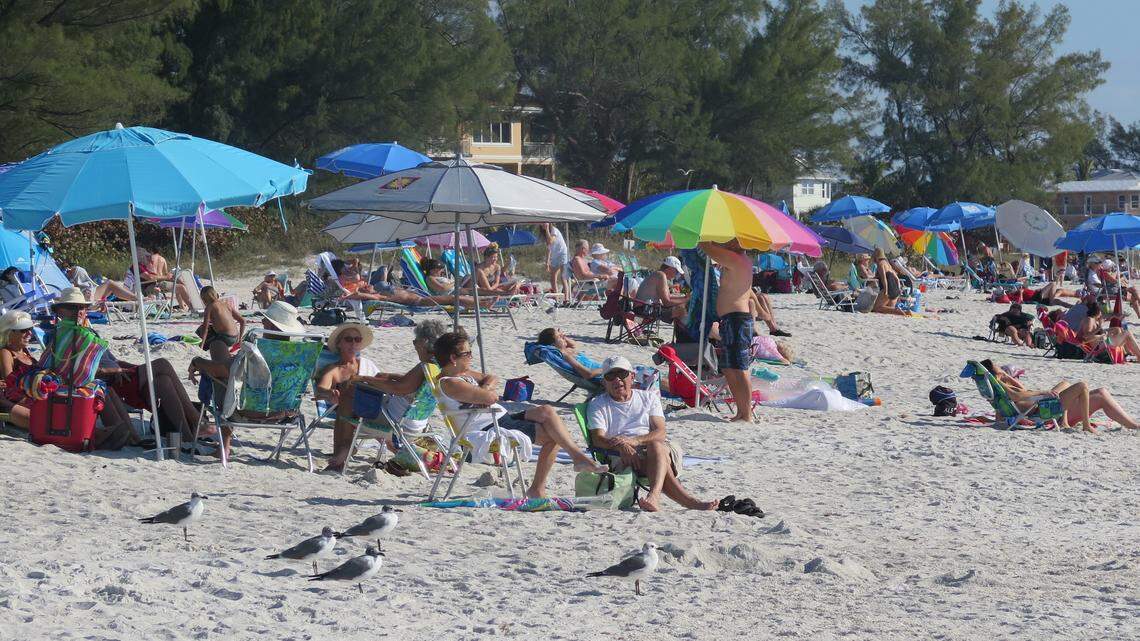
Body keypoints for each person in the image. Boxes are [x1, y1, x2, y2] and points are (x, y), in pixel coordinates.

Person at [433, 331, 608, 498]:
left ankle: (577, 457)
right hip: (487, 428)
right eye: (467, 353)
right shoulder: (450, 383)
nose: (471, 356)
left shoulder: (462, 374)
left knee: (546, 410)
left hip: (499, 418)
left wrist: (483, 389)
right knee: (552, 437)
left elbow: (492, 378)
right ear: (453, 358)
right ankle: (538, 489)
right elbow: (492, 397)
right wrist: (485, 394)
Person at [587, 356, 718, 512]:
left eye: (622, 374)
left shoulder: (648, 397)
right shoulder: (598, 404)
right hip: (620, 454)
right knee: (658, 456)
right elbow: (598, 439)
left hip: (655, 447)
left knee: (656, 446)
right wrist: (621, 447)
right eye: (610, 376)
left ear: (632, 377)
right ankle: (688, 502)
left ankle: (660, 496)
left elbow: (660, 432)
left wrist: (634, 441)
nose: (617, 379)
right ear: (604, 382)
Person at [322, 319, 449, 472]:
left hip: (395, 423)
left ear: (423, 343)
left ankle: (342, 453)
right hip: (418, 423)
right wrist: (388, 376)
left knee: (348, 396)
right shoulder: (438, 366)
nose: (414, 345)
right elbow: (408, 381)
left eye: (415, 342)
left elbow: (399, 388)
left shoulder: (424, 366)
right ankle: (345, 449)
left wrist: (364, 379)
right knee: (353, 397)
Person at [188, 300, 306, 458]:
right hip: (285, 414)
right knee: (223, 358)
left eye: (266, 320)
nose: (262, 321)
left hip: (247, 411)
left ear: (272, 326)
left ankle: (224, 447)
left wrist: (197, 362)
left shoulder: (257, 351)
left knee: (222, 379)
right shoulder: (301, 356)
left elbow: (221, 371)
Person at [980, 359, 1139, 434]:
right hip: (1046, 411)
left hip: (1041, 407)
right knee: (1089, 388)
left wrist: (1007, 377)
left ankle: (1064, 420)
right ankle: (1087, 425)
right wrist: (1041, 392)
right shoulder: (1004, 388)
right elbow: (1017, 395)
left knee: (1065, 383)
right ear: (996, 373)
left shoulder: (999, 388)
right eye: (998, 367)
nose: (1001, 368)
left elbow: (1020, 392)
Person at [699, 240, 754, 422]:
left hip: (737, 319)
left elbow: (708, 249)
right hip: (731, 319)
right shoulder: (738, 259)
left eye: (729, 239)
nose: (725, 242)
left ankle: (746, 413)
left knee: (739, 367)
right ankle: (741, 411)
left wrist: (701, 236)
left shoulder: (736, 259)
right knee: (728, 368)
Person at [317, 323, 381, 472]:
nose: (353, 343)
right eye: (348, 339)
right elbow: (321, 390)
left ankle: (345, 450)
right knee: (347, 395)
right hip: (353, 415)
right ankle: (346, 449)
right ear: (339, 343)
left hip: (376, 412)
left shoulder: (367, 364)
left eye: (357, 340)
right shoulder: (334, 369)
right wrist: (330, 394)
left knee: (350, 393)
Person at [197, 285, 245, 370]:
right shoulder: (226, 304)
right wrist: (240, 339)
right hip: (235, 337)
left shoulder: (209, 307)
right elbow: (243, 321)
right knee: (212, 328)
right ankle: (226, 351)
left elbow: (205, 328)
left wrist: (202, 345)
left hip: (225, 338)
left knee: (200, 330)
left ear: (204, 299)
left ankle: (218, 350)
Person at [871, 248, 911, 316]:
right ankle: (904, 312)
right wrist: (899, 290)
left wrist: (886, 291)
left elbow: (884, 279)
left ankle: (901, 312)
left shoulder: (881, 264)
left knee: (876, 308)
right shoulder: (888, 264)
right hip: (895, 288)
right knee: (887, 308)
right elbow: (897, 279)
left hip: (889, 288)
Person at [538, 223, 569, 300]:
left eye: (545, 223)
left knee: (563, 277)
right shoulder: (546, 234)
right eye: (542, 224)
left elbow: (551, 241)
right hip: (554, 256)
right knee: (552, 278)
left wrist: (547, 229)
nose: (543, 225)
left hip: (562, 253)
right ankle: (556, 298)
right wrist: (547, 262)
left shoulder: (554, 230)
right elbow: (549, 248)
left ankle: (566, 299)